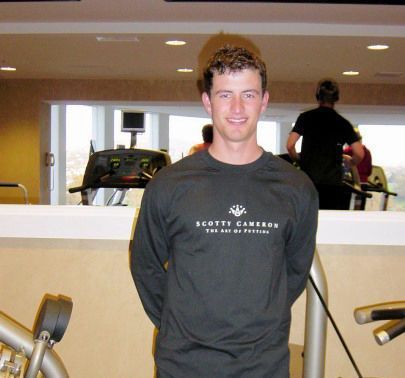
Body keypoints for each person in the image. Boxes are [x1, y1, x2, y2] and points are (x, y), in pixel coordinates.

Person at [130, 45, 318, 378]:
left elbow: (295, 271)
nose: (236, 108)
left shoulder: (297, 188)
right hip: (183, 364)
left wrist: (263, 320)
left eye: (248, 94)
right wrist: (179, 325)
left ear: (264, 101)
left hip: (264, 365)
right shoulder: (169, 185)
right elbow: (145, 264)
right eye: (225, 95)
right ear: (207, 101)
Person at [286, 78, 364, 210]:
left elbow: (290, 145)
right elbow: (359, 153)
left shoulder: (306, 117)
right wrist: (351, 163)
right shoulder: (342, 123)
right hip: (332, 183)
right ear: (336, 98)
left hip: (308, 181)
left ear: (318, 97)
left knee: (307, 218)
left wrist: (298, 159)